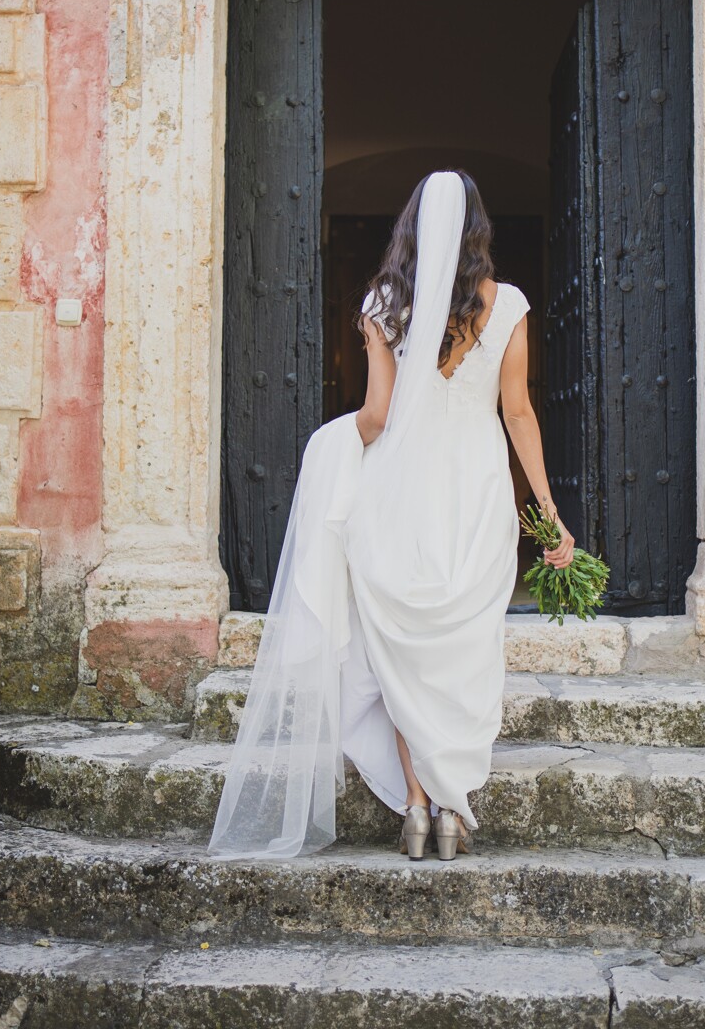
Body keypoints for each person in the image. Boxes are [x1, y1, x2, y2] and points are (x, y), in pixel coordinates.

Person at [209, 170, 574, 863]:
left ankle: (415, 809)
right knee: (460, 647)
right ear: (476, 231)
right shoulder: (510, 307)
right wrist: (549, 514)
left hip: (400, 489)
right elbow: (519, 411)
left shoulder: (383, 304)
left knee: (399, 648)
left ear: (409, 228)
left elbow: (376, 420)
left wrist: (332, 444)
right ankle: (452, 807)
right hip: (475, 492)